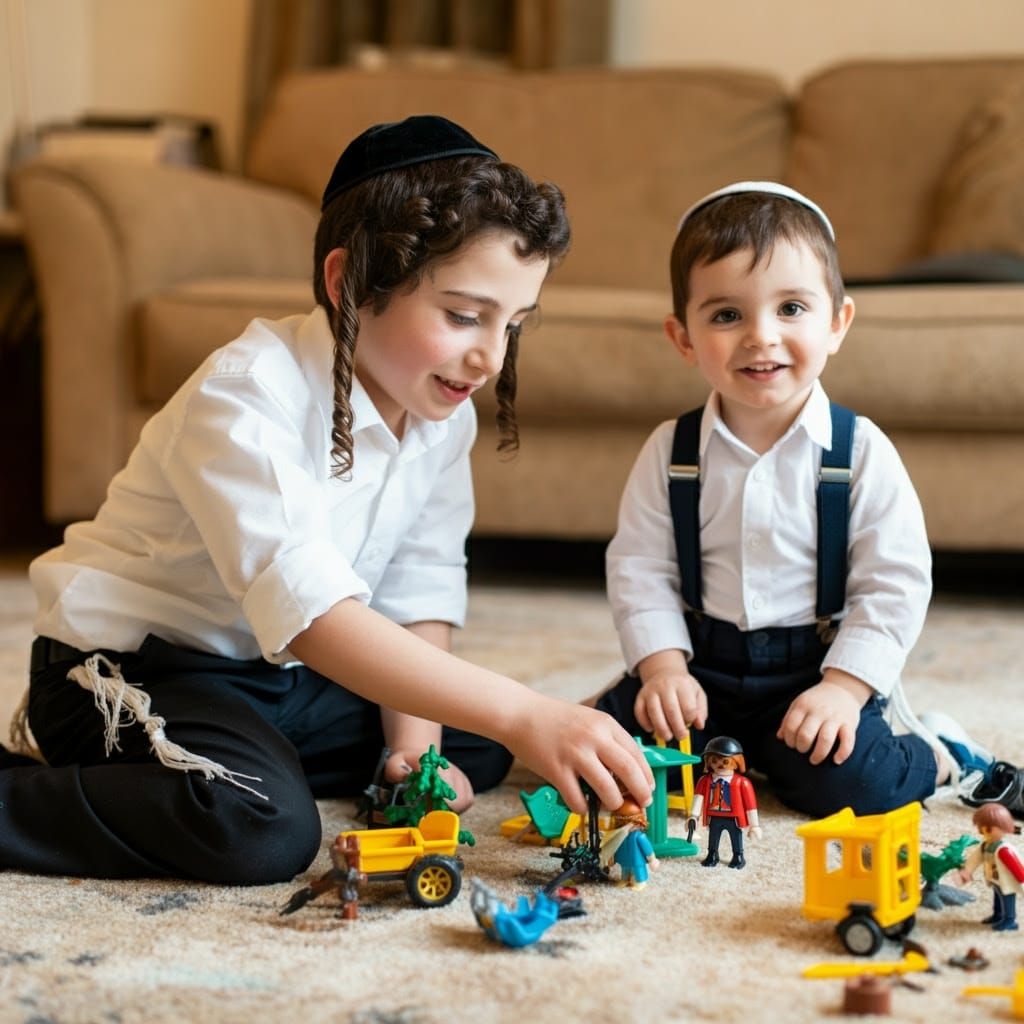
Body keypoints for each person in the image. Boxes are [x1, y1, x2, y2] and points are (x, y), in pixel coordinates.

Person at [0, 116, 652, 883]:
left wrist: (417, 753)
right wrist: (521, 711)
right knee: (263, 828)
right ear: (351, 282)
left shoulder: (443, 415)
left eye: (513, 324)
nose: (490, 355)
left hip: (275, 677)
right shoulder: (246, 394)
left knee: (471, 735)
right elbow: (313, 617)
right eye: (464, 316)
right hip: (136, 673)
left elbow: (418, 588)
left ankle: (273, 753)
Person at [590, 181, 987, 819]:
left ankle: (939, 752)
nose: (761, 336)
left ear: (837, 323)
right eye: (726, 315)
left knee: (851, 788)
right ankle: (735, 746)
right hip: (700, 670)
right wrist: (662, 669)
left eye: (791, 309)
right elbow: (640, 567)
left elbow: (895, 582)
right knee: (599, 763)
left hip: (816, 669)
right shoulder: (670, 449)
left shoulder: (861, 452)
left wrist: (845, 689)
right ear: (683, 337)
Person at [687, 736, 760, 869]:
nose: (719, 765)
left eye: (725, 761)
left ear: (736, 761)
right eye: (714, 761)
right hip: (714, 816)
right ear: (708, 762)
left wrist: (754, 825)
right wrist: (693, 816)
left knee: (736, 837)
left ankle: (738, 856)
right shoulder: (705, 781)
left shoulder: (742, 782)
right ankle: (712, 854)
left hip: (734, 818)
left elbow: (750, 806)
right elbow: (698, 798)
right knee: (713, 837)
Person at [958, 802, 1024, 931]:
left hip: (1008, 882)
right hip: (995, 879)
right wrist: (967, 871)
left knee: (1007, 899)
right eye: (982, 827)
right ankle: (998, 914)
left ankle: (1010, 921)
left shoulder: (1004, 850)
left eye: (989, 827)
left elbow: (1018, 868)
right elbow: (975, 859)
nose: (984, 830)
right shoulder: (986, 846)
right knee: (998, 897)